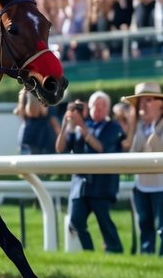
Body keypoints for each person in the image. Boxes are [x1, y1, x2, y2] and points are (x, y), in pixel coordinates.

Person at [54, 90, 126, 253]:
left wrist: (82, 127)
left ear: (108, 109)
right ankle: (89, 252)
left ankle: (115, 250)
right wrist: (66, 123)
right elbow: (60, 148)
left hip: (102, 185)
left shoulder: (113, 127)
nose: (99, 109)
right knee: (75, 222)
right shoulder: (79, 126)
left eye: (103, 106)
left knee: (104, 223)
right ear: (90, 107)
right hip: (80, 185)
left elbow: (101, 147)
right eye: (95, 105)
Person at [122, 82, 163, 256]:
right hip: (142, 184)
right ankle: (147, 258)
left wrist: (154, 127)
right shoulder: (140, 124)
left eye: (147, 100)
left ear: (160, 104)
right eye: (140, 101)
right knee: (144, 224)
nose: (142, 105)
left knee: (161, 226)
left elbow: (161, 147)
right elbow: (134, 152)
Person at [15, 87, 60, 155]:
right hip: (43, 140)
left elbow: (19, 112)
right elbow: (55, 124)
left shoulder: (25, 93)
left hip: (27, 136)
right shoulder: (45, 96)